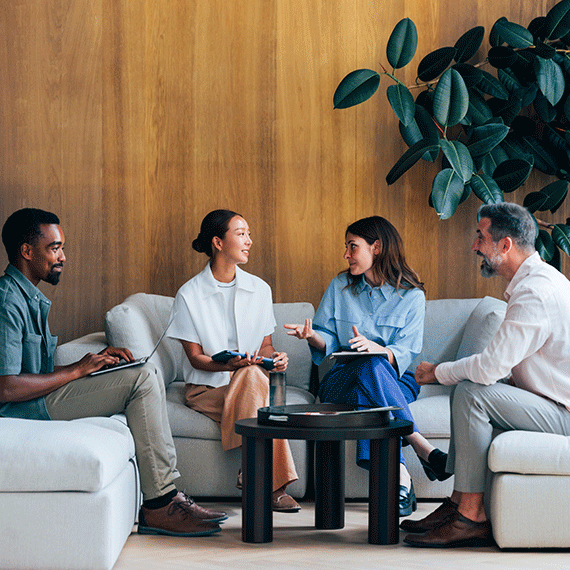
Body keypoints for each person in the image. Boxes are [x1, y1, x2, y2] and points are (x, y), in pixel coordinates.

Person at [0, 208, 227, 538]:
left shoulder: (30, 297)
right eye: (55, 248)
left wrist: (93, 363)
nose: (62, 256)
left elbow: (35, 373)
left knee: (141, 372)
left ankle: (166, 499)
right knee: (142, 378)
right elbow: (6, 388)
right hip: (22, 410)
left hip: (37, 399)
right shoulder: (8, 301)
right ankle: (161, 503)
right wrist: (78, 370)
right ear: (26, 251)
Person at [403, 202, 570, 548]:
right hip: (552, 405)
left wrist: (437, 372)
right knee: (473, 389)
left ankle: (470, 516)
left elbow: (491, 367)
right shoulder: (536, 282)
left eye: (480, 236)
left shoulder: (535, 292)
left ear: (505, 244)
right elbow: (506, 366)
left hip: (563, 415)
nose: (474, 246)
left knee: (473, 391)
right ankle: (456, 506)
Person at [285, 215, 450, 517]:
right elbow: (328, 338)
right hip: (340, 381)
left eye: (352, 246)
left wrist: (380, 350)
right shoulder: (340, 286)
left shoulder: (411, 296)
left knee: (371, 369)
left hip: (395, 380)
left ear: (377, 247)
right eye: (346, 247)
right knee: (364, 368)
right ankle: (419, 449)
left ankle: (401, 477)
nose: (346, 255)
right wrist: (312, 337)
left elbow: (407, 351)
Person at [167, 209, 300, 512]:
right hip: (207, 388)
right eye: (241, 234)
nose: (249, 241)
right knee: (253, 382)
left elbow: (265, 346)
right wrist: (230, 365)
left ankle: (253, 474)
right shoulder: (189, 294)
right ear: (218, 242)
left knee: (253, 376)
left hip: (252, 382)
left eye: (249, 234)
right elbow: (195, 358)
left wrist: (275, 358)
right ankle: (271, 485)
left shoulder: (260, 289)